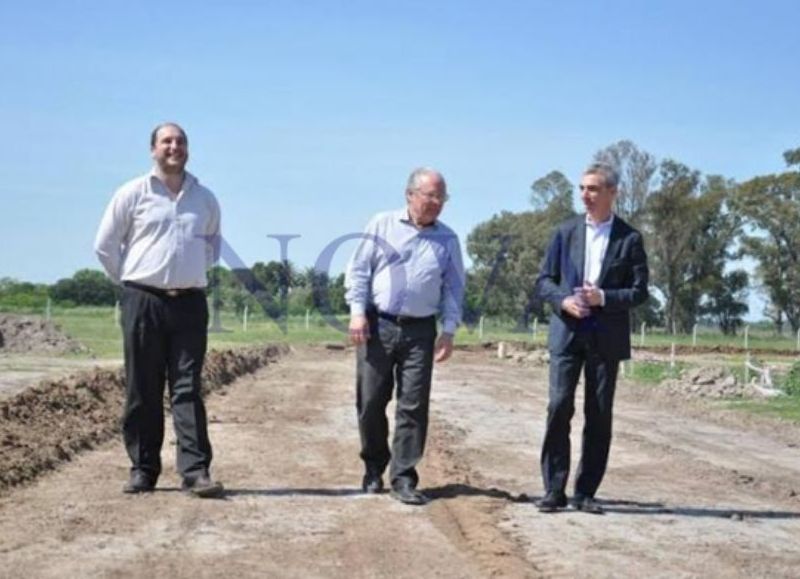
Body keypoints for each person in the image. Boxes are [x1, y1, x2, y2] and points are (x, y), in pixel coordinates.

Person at [94, 122, 223, 498]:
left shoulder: (204, 198)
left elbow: (212, 248)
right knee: (143, 387)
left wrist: (185, 275)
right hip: (143, 301)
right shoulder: (132, 193)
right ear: (153, 149)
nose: (174, 147)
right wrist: (133, 283)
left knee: (188, 388)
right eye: (166, 141)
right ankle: (143, 469)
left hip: (189, 303)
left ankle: (196, 471)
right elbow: (105, 246)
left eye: (180, 141)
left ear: (188, 149)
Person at [345, 168, 465, 505]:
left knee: (413, 405)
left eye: (442, 197)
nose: (437, 203)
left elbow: (454, 289)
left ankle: (403, 477)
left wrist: (449, 330)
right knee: (370, 402)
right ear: (410, 195)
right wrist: (356, 312)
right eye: (430, 195)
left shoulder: (448, 239)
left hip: (420, 330)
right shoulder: (381, 224)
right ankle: (373, 467)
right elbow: (358, 271)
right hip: (377, 324)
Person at [535, 162, 648, 514]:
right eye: (582, 188)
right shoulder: (564, 232)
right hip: (567, 334)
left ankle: (585, 492)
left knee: (598, 414)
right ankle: (554, 489)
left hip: (606, 336)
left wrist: (605, 298)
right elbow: (544, 281)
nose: (586, 194)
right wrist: (563, 301)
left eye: (594, 189)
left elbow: (640, 291)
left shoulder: (630, 238)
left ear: (613, 193)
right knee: (558, 407)